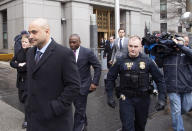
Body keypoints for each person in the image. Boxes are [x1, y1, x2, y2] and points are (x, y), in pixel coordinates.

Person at [26, 18, 80, 131]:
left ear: (47, 31)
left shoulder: (64, 54)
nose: (30, 36)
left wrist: (55, 108)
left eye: (34, 32)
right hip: (34, 120)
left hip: (56, 122)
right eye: (29, 32)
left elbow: (73, 86)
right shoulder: (30, 53)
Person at [106, 36, 166, 131]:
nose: (133, 49)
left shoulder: (148, 61)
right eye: (130, 46)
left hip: (143, 99)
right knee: (127, 126)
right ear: (128, 46)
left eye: (135, 46)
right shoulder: (121, 60)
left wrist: (162, 98)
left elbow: (160, 79)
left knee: (140, 126)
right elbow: (110, 78)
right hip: (126, 98)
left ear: (140, 47)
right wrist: (110, 96)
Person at [155, 37, 192, 131]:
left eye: (179, 43)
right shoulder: (167, 54)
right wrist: (159, 52)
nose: (176, 45)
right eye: (175, 43)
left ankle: (177, 116)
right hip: (172, 87)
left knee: (186, 107)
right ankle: (178, 128)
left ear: (184, 44)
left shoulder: (187, 54)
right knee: (176, 110)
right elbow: (158, 64)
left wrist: (181, 46)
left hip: (186, 86)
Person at [69, 34, 101, 131]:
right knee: (79, 107)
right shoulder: (67, 53)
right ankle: (84, 121)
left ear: (79, 42)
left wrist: (94, 82)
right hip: (71, 87)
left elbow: (97, 66)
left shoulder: (87, 52)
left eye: (74, 42)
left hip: (84, 85)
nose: (71, 44)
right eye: (70, 42)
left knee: (79, 109)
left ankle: (78, 128)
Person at [10, 33, 31, 129]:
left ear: (30, 43)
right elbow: (11, 62)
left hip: (28, 80)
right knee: (22, 99)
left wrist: (21, 65)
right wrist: (19, 65)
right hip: (20, 80)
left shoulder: (31, 52)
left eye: (25, 42)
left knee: (27, 100)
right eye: (22, 41)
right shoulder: (19, 51)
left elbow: (28, 66)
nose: (23, 43)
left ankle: (27, 120)